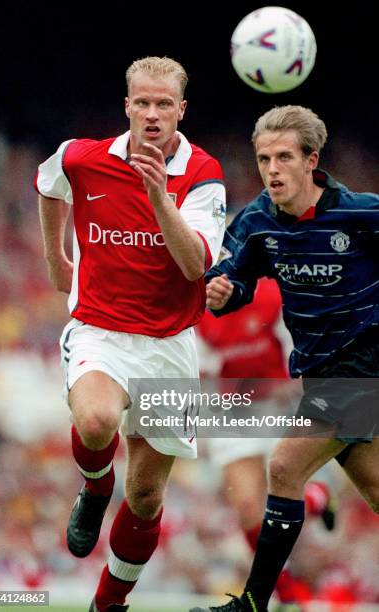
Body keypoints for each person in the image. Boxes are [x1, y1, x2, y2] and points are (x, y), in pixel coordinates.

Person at [35, 56, 226, 612]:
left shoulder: (203, 173)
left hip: (169, 344)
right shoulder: (85, 156)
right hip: (101, 330)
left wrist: (159, 193)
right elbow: (50, 182)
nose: (150, 114)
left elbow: (195, 266)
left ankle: (107, 605)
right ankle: (94, 486)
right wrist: (56, 258)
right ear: (126, 106)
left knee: (145, 496)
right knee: (95, 423)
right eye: (141, 102)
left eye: (163, 104)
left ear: (181, 111)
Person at [189, 105, 379, 612]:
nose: (271, 169)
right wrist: (222, 290)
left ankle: (251, 604)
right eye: (263, 159)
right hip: (320, 376)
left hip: (365, 368)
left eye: (283, 157)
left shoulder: (362, 214)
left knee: (285, 466)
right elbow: (232, 279)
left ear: (311, 160)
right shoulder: (254, 222)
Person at [196, 277, 334, 605]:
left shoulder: (274, 295)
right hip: (232, 411)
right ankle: (286, 590)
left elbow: (300, 360)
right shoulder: (197, 310)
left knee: (282, 491)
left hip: (278, 404)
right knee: (247, 507)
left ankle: (317, 498)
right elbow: (202, 373)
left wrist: (283, 388)